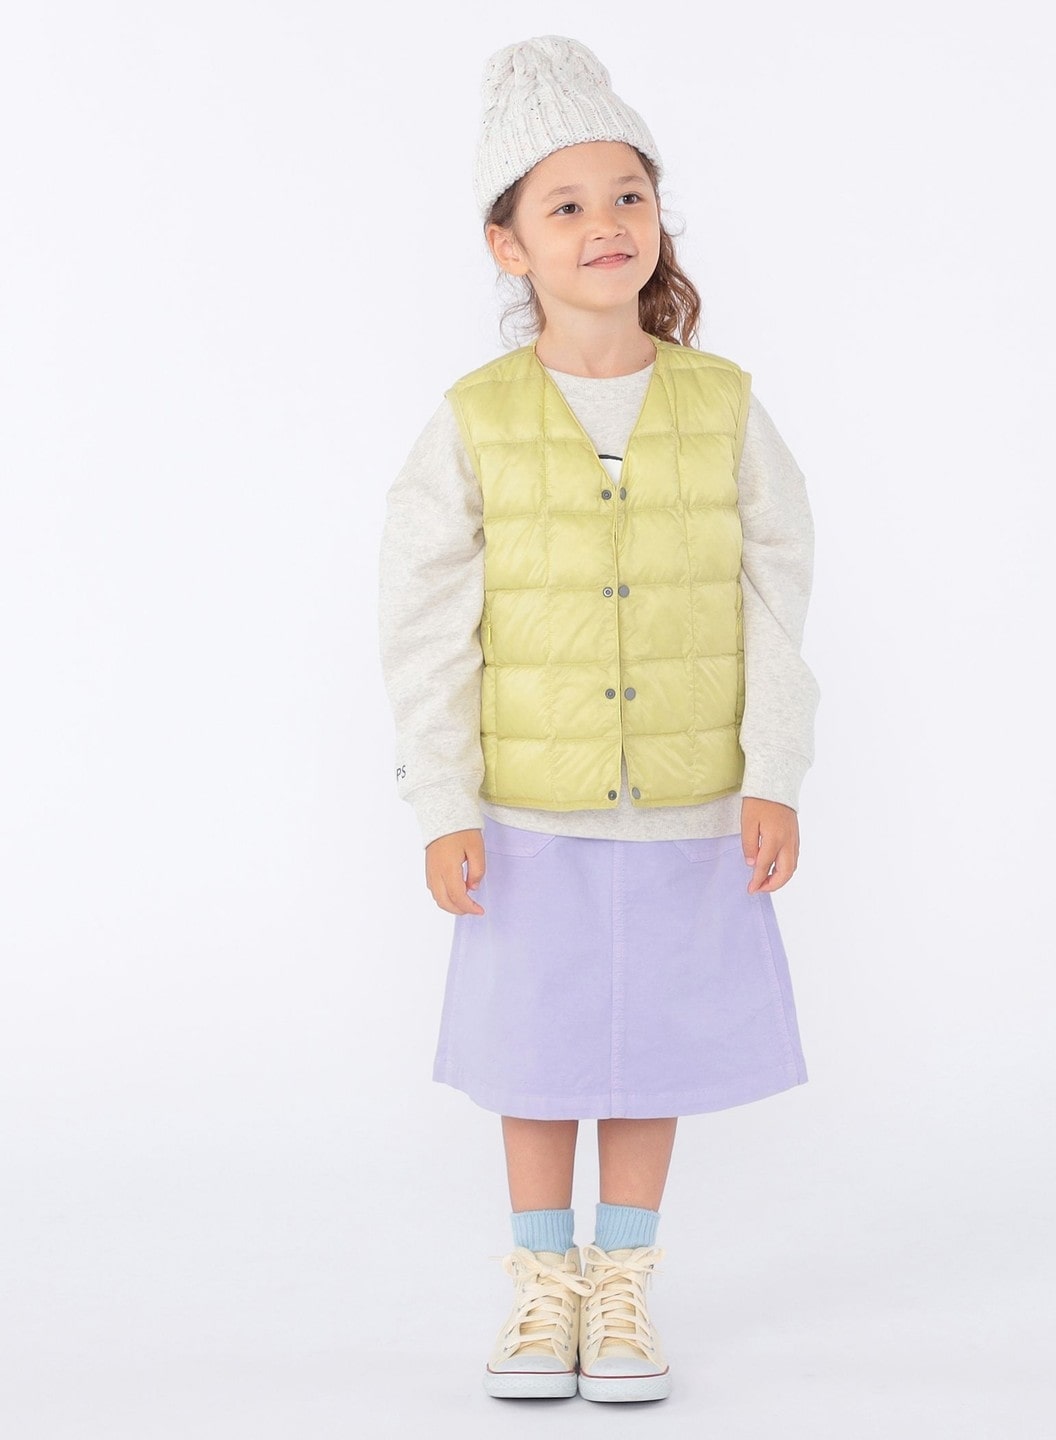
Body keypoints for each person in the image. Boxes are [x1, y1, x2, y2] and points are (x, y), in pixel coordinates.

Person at [377, 34, 820, 1405]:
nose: (605, 224)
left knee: (646, 1048)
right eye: (564, 205)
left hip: (688, 797)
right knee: (539, 1046)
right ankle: (541, 1288)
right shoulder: (474, 421)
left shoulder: (723, 404)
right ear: (508, 244)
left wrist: (773, 769)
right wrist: (442, 802)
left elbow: (777, 594)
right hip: (528, 807)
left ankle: (620, 1287)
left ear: (659, 217)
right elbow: (424, 624)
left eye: (629, 195)